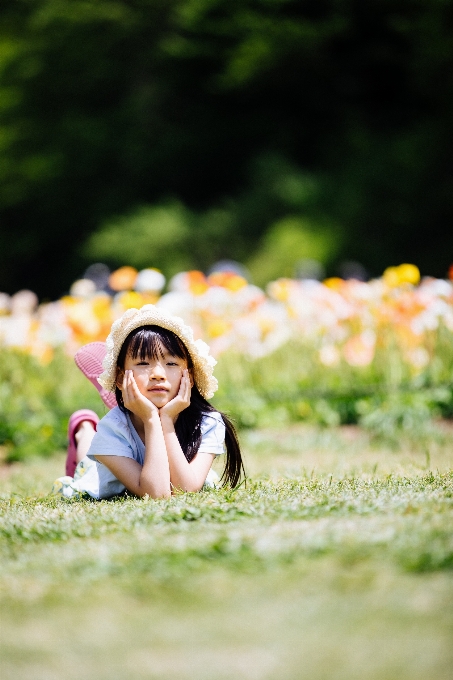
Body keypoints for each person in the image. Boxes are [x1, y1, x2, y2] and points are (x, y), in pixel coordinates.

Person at [53, 304, 244, 499]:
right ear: (120, 379)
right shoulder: (111, 429)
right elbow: (157, 493)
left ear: (190, 377)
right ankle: (84, 428)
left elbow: (184, 489)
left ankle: (125, 414)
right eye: (143, 363)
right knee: (87, 462)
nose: (158, 374)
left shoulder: (207, 423)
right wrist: (152, 419)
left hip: (130, 436)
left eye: (171, 363)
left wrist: (166, 421)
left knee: (118, 432)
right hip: (101, 469)